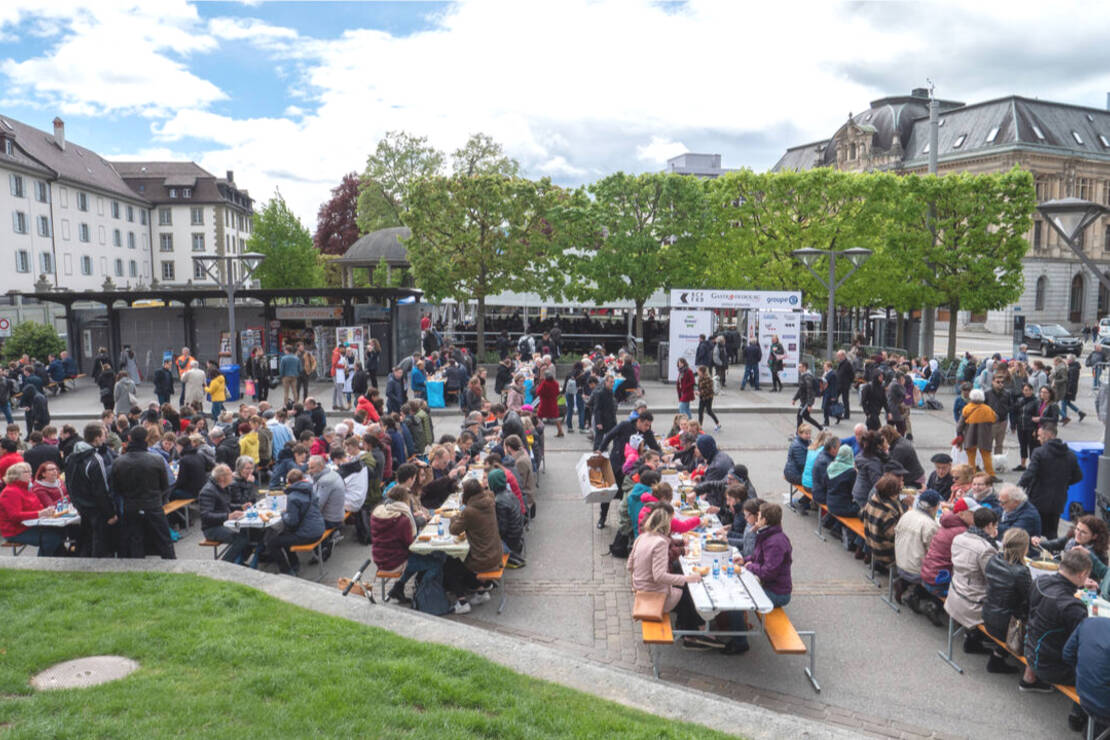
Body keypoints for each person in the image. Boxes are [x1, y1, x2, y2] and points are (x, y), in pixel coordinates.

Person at [1021, 549, 1093, 728]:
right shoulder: (1073, 607)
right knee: (1096, 666)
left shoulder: (1040, 581)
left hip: (1029, 649)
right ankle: (1078, 716)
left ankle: (1028, 678)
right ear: (1083, 573)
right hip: (1050, 666)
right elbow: (1083, 648)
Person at [628, 502, 710, 649]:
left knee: (682, 588)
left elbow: (629, 565)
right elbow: (659, 576)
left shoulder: (643, 537)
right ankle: (691, 635)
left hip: (640, 589)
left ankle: (691, 626)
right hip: (654, 596)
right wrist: (687, 579)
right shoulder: (660, 543)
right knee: (686, 590)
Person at [110, 426, 175, 559]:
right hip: (153, 504)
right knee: (163, 539)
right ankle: (171, 563)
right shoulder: (156, 459)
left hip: (131, 505)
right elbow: (165, 485)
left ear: (129, 438)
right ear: (146, 438)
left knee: (135, 539)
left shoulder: (119, 462)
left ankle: (136, 567)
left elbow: (115, 488)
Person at [945, 506, 1000, 655]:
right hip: (972, 602)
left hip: (955, 592)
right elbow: (993, 577)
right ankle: (994, 651)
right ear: (990, 526)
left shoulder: (959, 538)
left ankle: (973, 637)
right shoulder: (986, 548)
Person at [982, 527, 1032, 674]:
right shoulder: (1021, 571)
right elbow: (1028, 598)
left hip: (987, 615)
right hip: (1006, 627)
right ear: (1024, 548)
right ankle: (998, 657)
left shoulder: (994, 559)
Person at [1018, 422, 1081, 539]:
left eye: (1039, 436)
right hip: (1057, 500)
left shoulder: (1039, 452)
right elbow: (1078, 476)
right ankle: (1054, 555)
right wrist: (1063, 484)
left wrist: (1018, 487)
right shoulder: (1070, 455)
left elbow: (1030, 474)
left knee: (1033, 532)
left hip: (1037, 499)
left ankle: (1033, 555)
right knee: (1052, 532)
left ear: (1047, 436)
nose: (1038, 439)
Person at [259, 469, 325, 575]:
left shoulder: (293, 496)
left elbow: (292, 522)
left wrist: (283, 514)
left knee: (271, 542)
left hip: (308, 534)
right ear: (302, 479)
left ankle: (286, 571)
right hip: (319, 528)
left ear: (288, 482)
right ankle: (294, 564)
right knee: (284, 536)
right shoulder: (310, 490)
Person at [446, 478, 503, 599]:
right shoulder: (489, 500)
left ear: (467, 494)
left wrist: (453, 518)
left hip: (483, 559)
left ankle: (462, 600)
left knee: (449, 563)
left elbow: (454, 530)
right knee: (461, 558)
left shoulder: (470, 511)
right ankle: (481, 586)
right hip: (496, 553)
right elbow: (466, 510)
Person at [0, 462, 66, 556]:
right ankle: (41, 564)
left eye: (30, 471)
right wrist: (39, 513)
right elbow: (14, 516)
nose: (30, 474)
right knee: (52, 538)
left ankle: (59, 562)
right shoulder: (10, 492)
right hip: (15, 531)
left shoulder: (27, 489)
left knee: (60, 532)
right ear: (15, 475)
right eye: (26, 472)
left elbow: (39, 508)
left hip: (30, 526)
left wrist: (46, 512)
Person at [734, 502, 793, 607]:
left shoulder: (775, 543)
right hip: (769, 585)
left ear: (764, 520)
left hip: (777, 593)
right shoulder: (766, 534)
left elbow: (768, 573)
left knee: (738, 597)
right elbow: (758, 556)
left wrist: (750, 566)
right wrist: (744, 559)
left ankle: (739, 624)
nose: (757, 518)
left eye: (759, 516)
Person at [893, 488, 941, 606]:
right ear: (935, 507)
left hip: (899, 562)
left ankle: (904, 584)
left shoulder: (907, 514)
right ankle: (917, 595)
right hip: (916, 571)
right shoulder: (930, 525)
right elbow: (933, 552)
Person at [1063, 616, 1110, 735]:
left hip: (1083, 693)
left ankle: (1078, 717)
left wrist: (1086, 671)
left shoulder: (1089, 622)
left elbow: (1067, 654)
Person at [198, 463, 252, 564]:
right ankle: (224, 564)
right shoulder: (208, 491)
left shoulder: (222, 486)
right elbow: (206, 516)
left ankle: (239, 561)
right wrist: (228, 516)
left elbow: (226, 505)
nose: (233, 476)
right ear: (222, 477)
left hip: (223, 523)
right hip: (212, 528)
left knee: (249, 532)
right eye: (230, 474)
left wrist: (241, 507)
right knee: (241, 538)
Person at [1032, 515, 1109, 584]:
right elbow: (1051, 545)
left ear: (1094, 536)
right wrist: (1037, 542)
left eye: (1083, 532)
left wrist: (1089, 555)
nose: (1078, 534)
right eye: (1077, 529)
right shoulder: (1071, 539)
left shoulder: (1100, 553)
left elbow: (1104, 575)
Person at [864, 473, 907, 569]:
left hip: (871, 545)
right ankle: (906, 580)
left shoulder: (873, 500)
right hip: (884, 552)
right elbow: (895, 537)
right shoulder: (888, 511)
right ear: (893, 492)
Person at [956, 388, 998, 479]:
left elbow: (960, 425)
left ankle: (973, 475)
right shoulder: (987, 409)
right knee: (986, 456)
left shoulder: (967, 408)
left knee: (971, 458)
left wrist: (959, 434)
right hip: (984, 437)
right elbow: (995, 418)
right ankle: (991, 475)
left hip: (970, 437)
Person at [489, 468, 525, 568]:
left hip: (511, 540)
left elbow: (502, 529)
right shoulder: (509, 493)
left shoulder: (499, 501)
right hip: (518, 534)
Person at [792, 361, 822, 431]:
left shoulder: (808, 377)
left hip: (806, 401)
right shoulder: (803, 376)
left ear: (804, 368)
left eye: (800, 367)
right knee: (806, 417)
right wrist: (794, 399)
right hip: (804, 400)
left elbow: (810, 391)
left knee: (799, 416)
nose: (798, 368)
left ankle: (798, 433)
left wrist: (809, 404)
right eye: (798, 367)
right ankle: (821, 428)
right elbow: (801, 390)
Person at [696, 365, 720, 432]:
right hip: (702, 397)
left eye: (699, 371)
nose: (697, 372)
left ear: (702, 372)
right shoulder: (700, 378)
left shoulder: (708, 379)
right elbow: (699, 387)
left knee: (709, 411)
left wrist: (700, 393)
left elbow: (709, 390)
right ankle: (700, 426)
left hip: (708, 397)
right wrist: (698, 392)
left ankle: (717, 423)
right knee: (700, 411)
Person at [836, 350, 854, 419]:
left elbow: (852, 375)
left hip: (844, 385)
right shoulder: (841, 363)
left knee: (845, 400)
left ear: (843, 356)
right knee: (835, 398)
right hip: (839, 384)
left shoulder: (847, 363)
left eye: (839, 356)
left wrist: (848, 382)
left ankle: (846, 415)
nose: (837, 357)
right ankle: (836, 412)